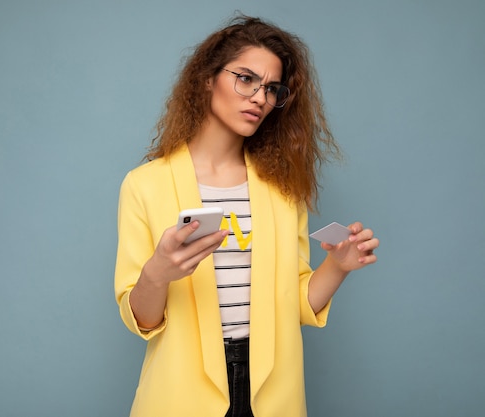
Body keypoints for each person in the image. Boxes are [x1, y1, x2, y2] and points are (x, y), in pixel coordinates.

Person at [114, 15, 379, 417]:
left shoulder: (281, 188)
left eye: (272, 88)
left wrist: (338, 266)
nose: (259, 97)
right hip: (181, 393)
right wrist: (159, 273)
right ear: (207, 79)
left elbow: (296, 303)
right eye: (246, 79)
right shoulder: (144, 184)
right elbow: (143, 320)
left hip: (272, 391)